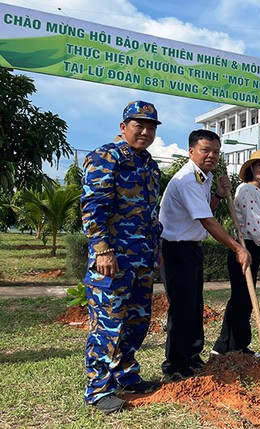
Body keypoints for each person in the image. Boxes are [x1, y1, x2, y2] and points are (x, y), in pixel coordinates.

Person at [81, 100, 164, 413]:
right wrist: (101, 249)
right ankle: (98, 389)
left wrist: (156, 253)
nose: (144, 131)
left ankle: (126, 376)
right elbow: (93, 207)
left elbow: (151, 215)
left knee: (136, 322)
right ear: (123, 127)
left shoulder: (149, 165)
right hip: (112, 260)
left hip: (141, 260)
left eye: (150, 127)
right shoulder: (106, 157)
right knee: (108, 324)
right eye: (138, 125)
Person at [159, 129, 250, 382]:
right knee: (181, 308)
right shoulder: (188, 179)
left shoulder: (203, 178)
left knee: (194, 305)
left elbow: (204, 210)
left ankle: (192, 355)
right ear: (191, 152)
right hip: (176, 250)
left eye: (216, 152)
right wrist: (237, 247)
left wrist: (219, 195)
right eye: (205, 150)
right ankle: (176, 364)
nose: (212, 155)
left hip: (191, 249)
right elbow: (207, 221)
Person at [211, 150, 260, 356]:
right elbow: (256, 228)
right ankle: (226, 346)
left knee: (244, 298)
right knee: (241, 297)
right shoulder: (246, 190)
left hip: (257, 248)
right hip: (244, 247)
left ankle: (233, 345)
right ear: (252, 169)